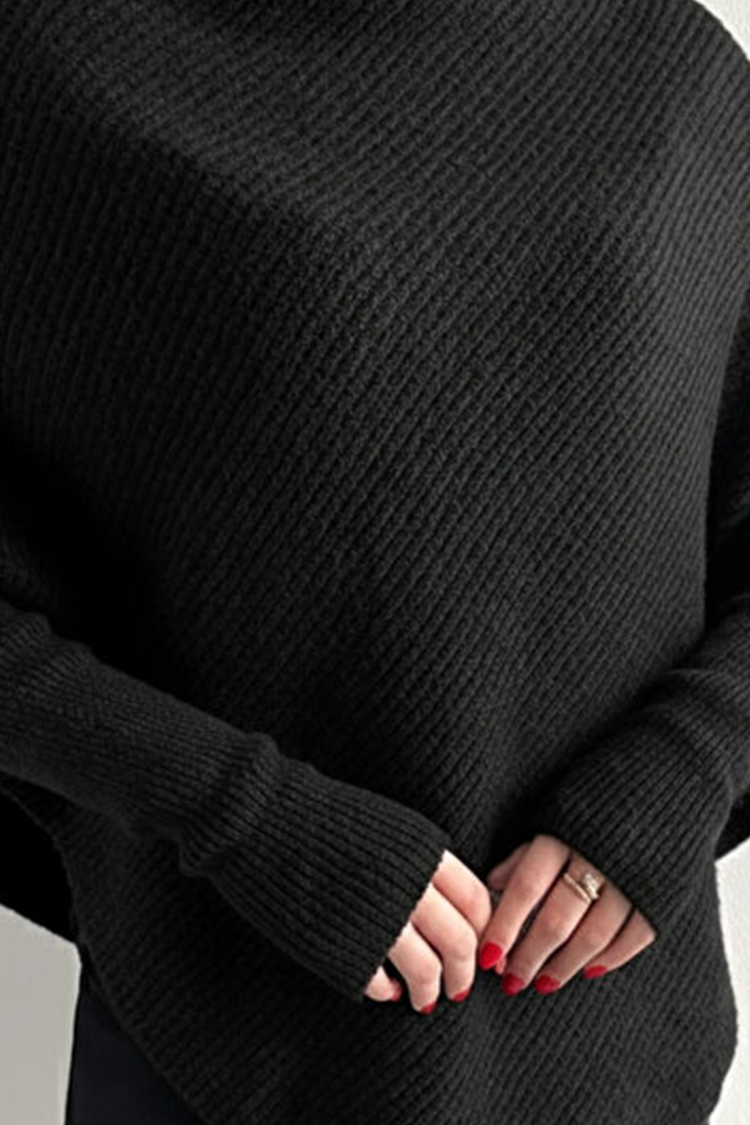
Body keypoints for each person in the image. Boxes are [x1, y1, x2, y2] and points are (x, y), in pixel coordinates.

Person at [1, 1, 749, 1123]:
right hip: (211, 1044)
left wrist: (689, 765)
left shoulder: (675, 77)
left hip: (610, 1056)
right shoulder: (56, 64)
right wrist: (241, 813)